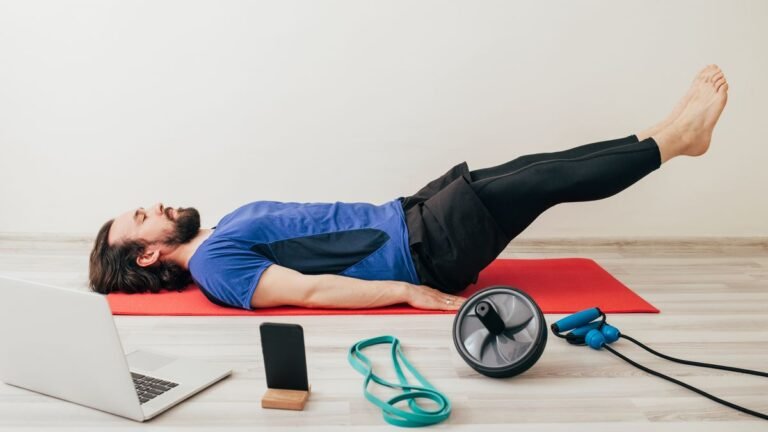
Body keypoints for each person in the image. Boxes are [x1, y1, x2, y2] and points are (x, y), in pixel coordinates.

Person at [89, 65, 729, 312]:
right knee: (544, 178)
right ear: (146, 253)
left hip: (410, 216)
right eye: (143, 216)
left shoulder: (214, 238)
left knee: (538, 168)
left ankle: (666, 133)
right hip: (423, 248)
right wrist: (407, 293)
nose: (157, 204)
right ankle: (678, 140)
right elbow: (311, 291)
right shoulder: (217, 267)